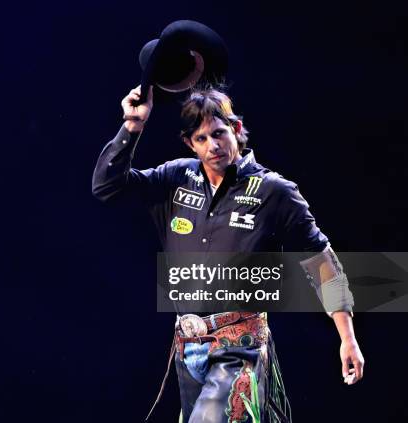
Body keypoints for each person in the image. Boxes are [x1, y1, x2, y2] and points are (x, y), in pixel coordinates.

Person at [92, 85, 365, 422]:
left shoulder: (273, 191)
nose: (213, 145)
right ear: (190, 143)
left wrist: (347, 338)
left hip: (240, 348)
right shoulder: (176, 177)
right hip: (187, 349)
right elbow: (106, 187)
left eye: (219, 133)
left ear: (236, 130)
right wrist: (132, 126)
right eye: (202, 138)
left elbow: (323, 261)